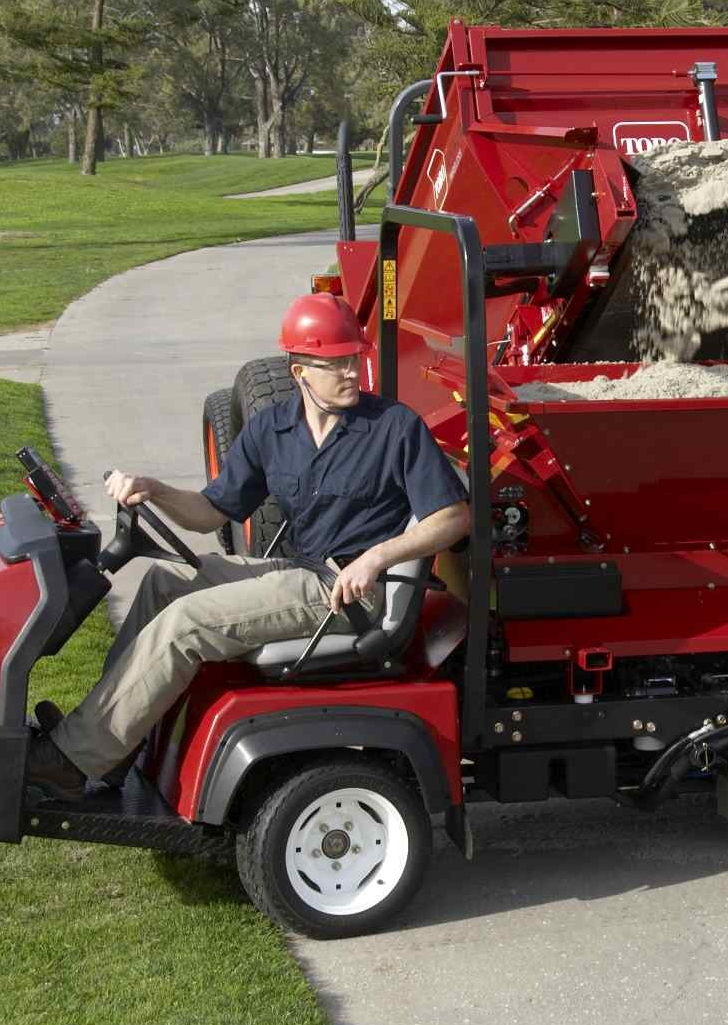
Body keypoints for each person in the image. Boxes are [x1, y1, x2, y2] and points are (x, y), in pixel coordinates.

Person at [26, 293, 472, 800]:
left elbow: (455, 517)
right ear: (299, 369)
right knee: (161, 583)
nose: (353, 372)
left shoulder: (394, 427)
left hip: (347, 594)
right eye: (336, 363)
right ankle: (110, 745)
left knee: (186, 624)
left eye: (354, 359)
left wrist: (378, 557)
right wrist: (156, 489)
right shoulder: (272, 429)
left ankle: (70, 759)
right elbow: (211, 512)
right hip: (296, 570)